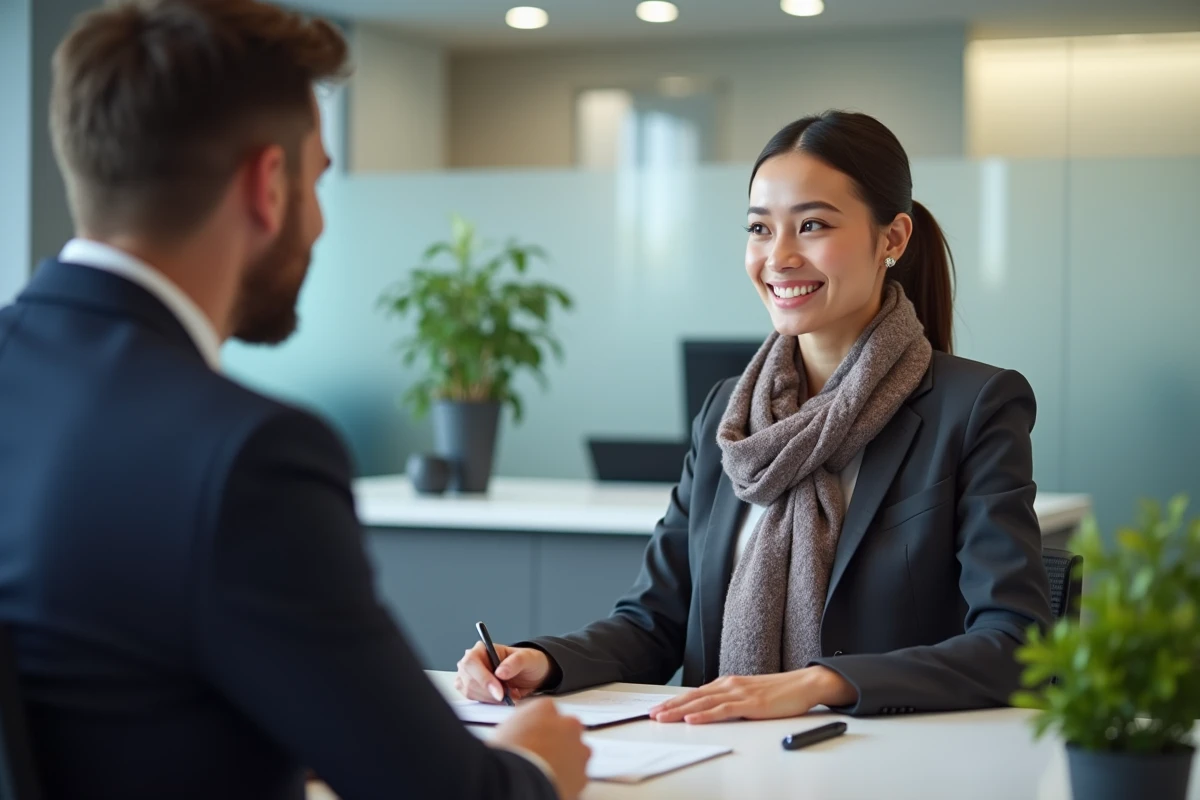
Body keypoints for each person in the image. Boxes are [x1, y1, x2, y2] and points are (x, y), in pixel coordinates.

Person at [0, 1, 590, 798]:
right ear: (267, 185)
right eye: (317, 181)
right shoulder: (244, 456)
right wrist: (531, 765)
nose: (317, 223)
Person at [457, 110, 1054, 723]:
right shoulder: (730, 415)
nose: (780, 257)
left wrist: (822, 682)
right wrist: (541, 660)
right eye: (759, 229)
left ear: (893, 239)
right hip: (720, 756)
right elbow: (655, 621)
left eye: (813, 225)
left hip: (883, 764)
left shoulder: (975, 407)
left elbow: (1015, 643)